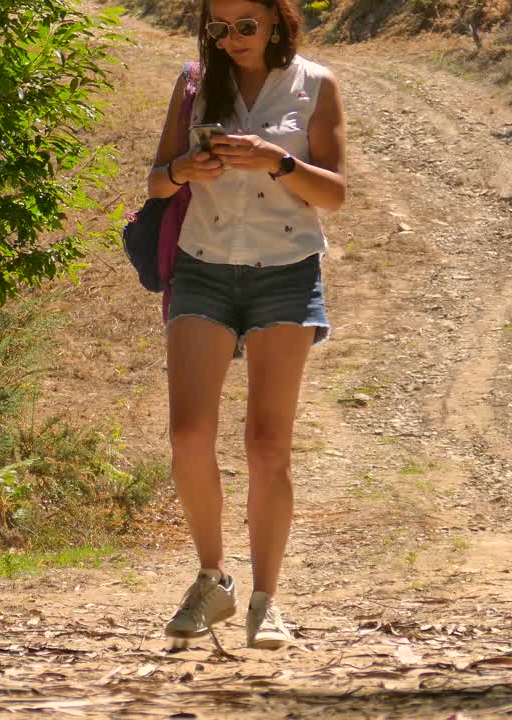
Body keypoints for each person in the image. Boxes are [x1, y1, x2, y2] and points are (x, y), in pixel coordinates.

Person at [145, 0, 347, 649]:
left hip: (285, 268)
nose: (230, 39)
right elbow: (155, 181)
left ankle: (266, 600)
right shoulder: (195, 82)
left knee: (267, 445)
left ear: (279, 22)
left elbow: (336, 194)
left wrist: (276, 162)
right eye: (219, 27)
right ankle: (212, 580)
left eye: (245, 26)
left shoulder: (316, 84)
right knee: (187, 434)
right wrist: (184, 170)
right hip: (202, 265)